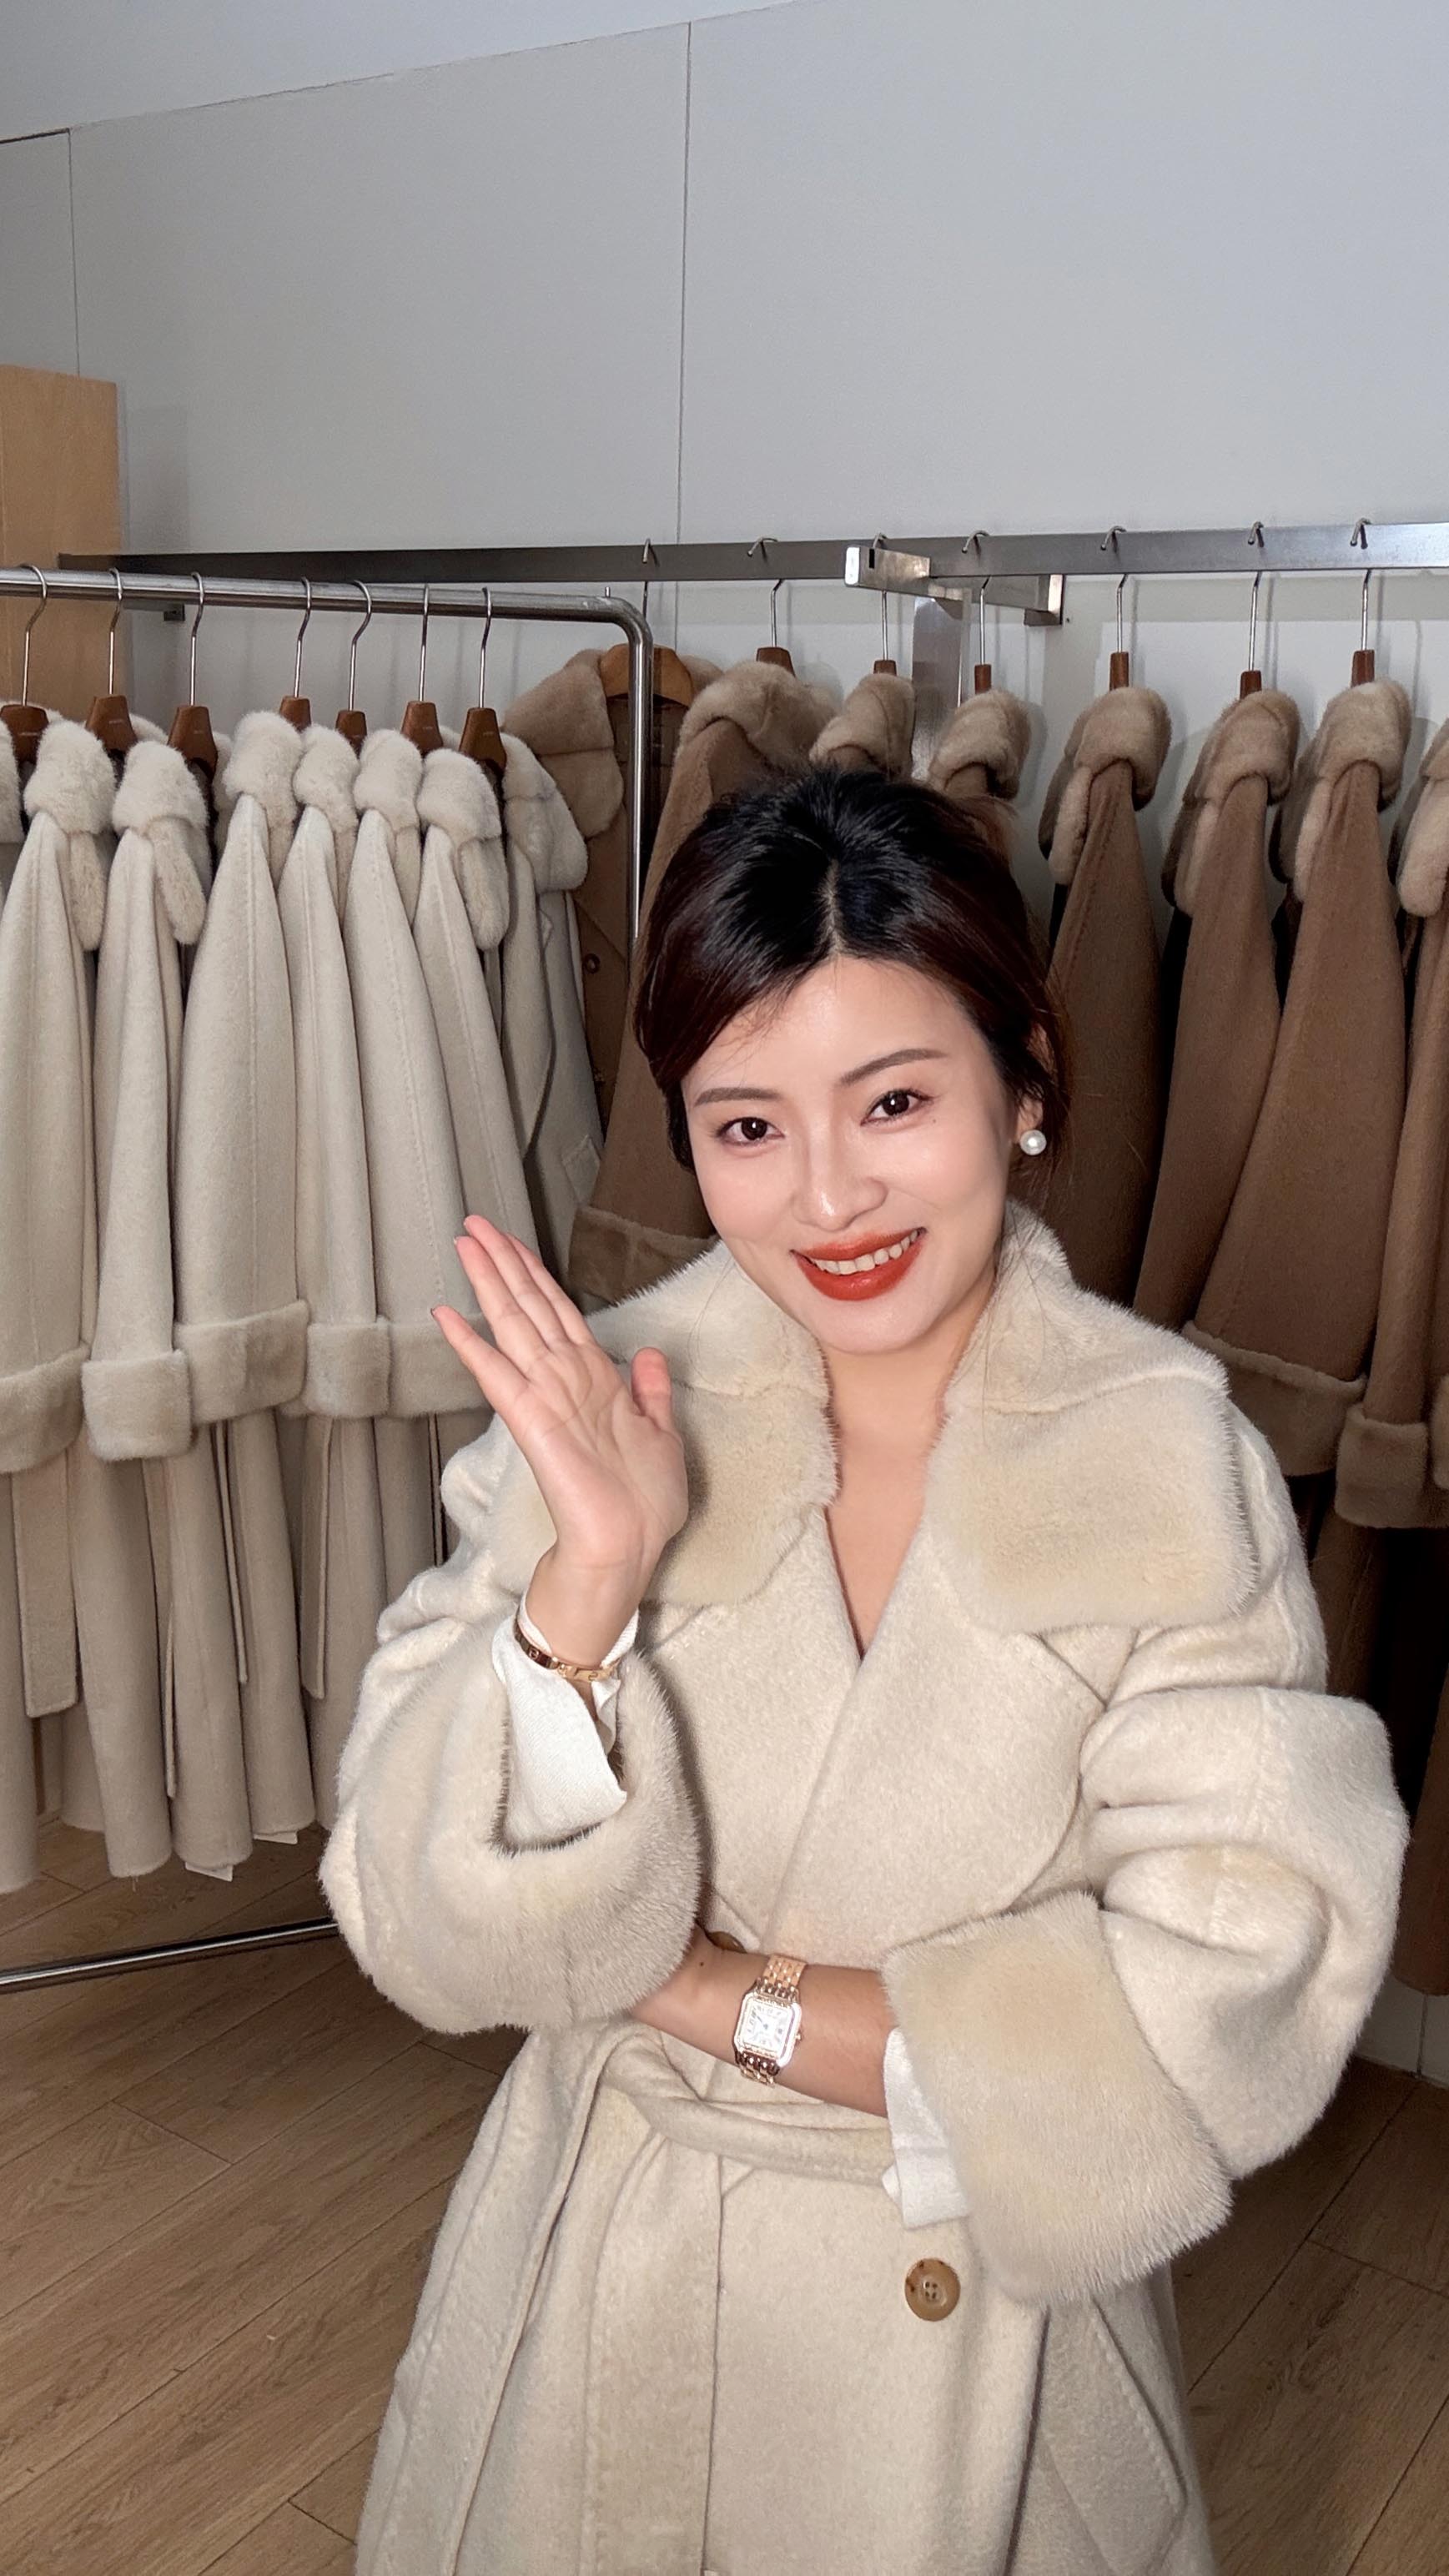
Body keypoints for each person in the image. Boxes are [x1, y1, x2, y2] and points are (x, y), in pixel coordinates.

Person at [322, 766, 1408, 2576]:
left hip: (977, 2374)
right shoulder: (598, 1408)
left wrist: (696, 1988)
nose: (827, 1196)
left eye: (892, 1100)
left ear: (1023, 1085)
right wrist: (587, 1583)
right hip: (594, 2318)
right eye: (745, 1125)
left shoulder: (1164, 1464)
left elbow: (1221, 2003)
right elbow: (420, 1922)